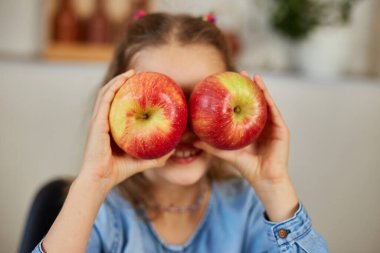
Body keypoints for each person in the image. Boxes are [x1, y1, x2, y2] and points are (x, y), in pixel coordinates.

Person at [32, 13, 329, 253]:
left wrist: (274, 183)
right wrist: (92, 182)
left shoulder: (251, 211)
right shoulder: (99, 217)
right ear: (113, 107)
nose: (184, 129)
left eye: (203, 101)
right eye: (163, 106)